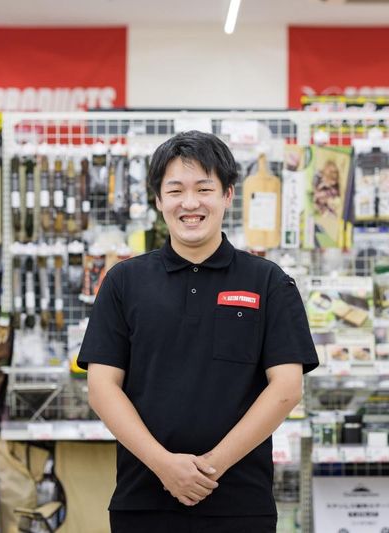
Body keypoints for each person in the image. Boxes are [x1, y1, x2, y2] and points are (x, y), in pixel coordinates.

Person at [78, 130, 318, 533]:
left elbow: (287, 388)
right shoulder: (123, 282)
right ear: (158, 200)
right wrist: (165, 466)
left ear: (227, 195)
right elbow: (102, 388)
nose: (190, 203)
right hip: (143, 503)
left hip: (240, 505)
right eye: (175, 190)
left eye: (204, 189)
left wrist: (209, 468)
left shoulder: (269, 282)